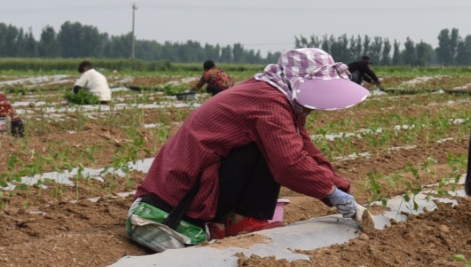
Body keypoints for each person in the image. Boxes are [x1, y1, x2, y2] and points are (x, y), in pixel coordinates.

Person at [130, 48, 367, 252]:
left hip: (191, 182)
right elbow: (290, 163)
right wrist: (330, 192)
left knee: (277, 145)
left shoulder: (274, 95)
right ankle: (240, 222)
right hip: (180, 195)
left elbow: (306, 148)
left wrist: (341, 188)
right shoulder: (269, 101)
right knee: (272, 150)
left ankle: (232, 219)